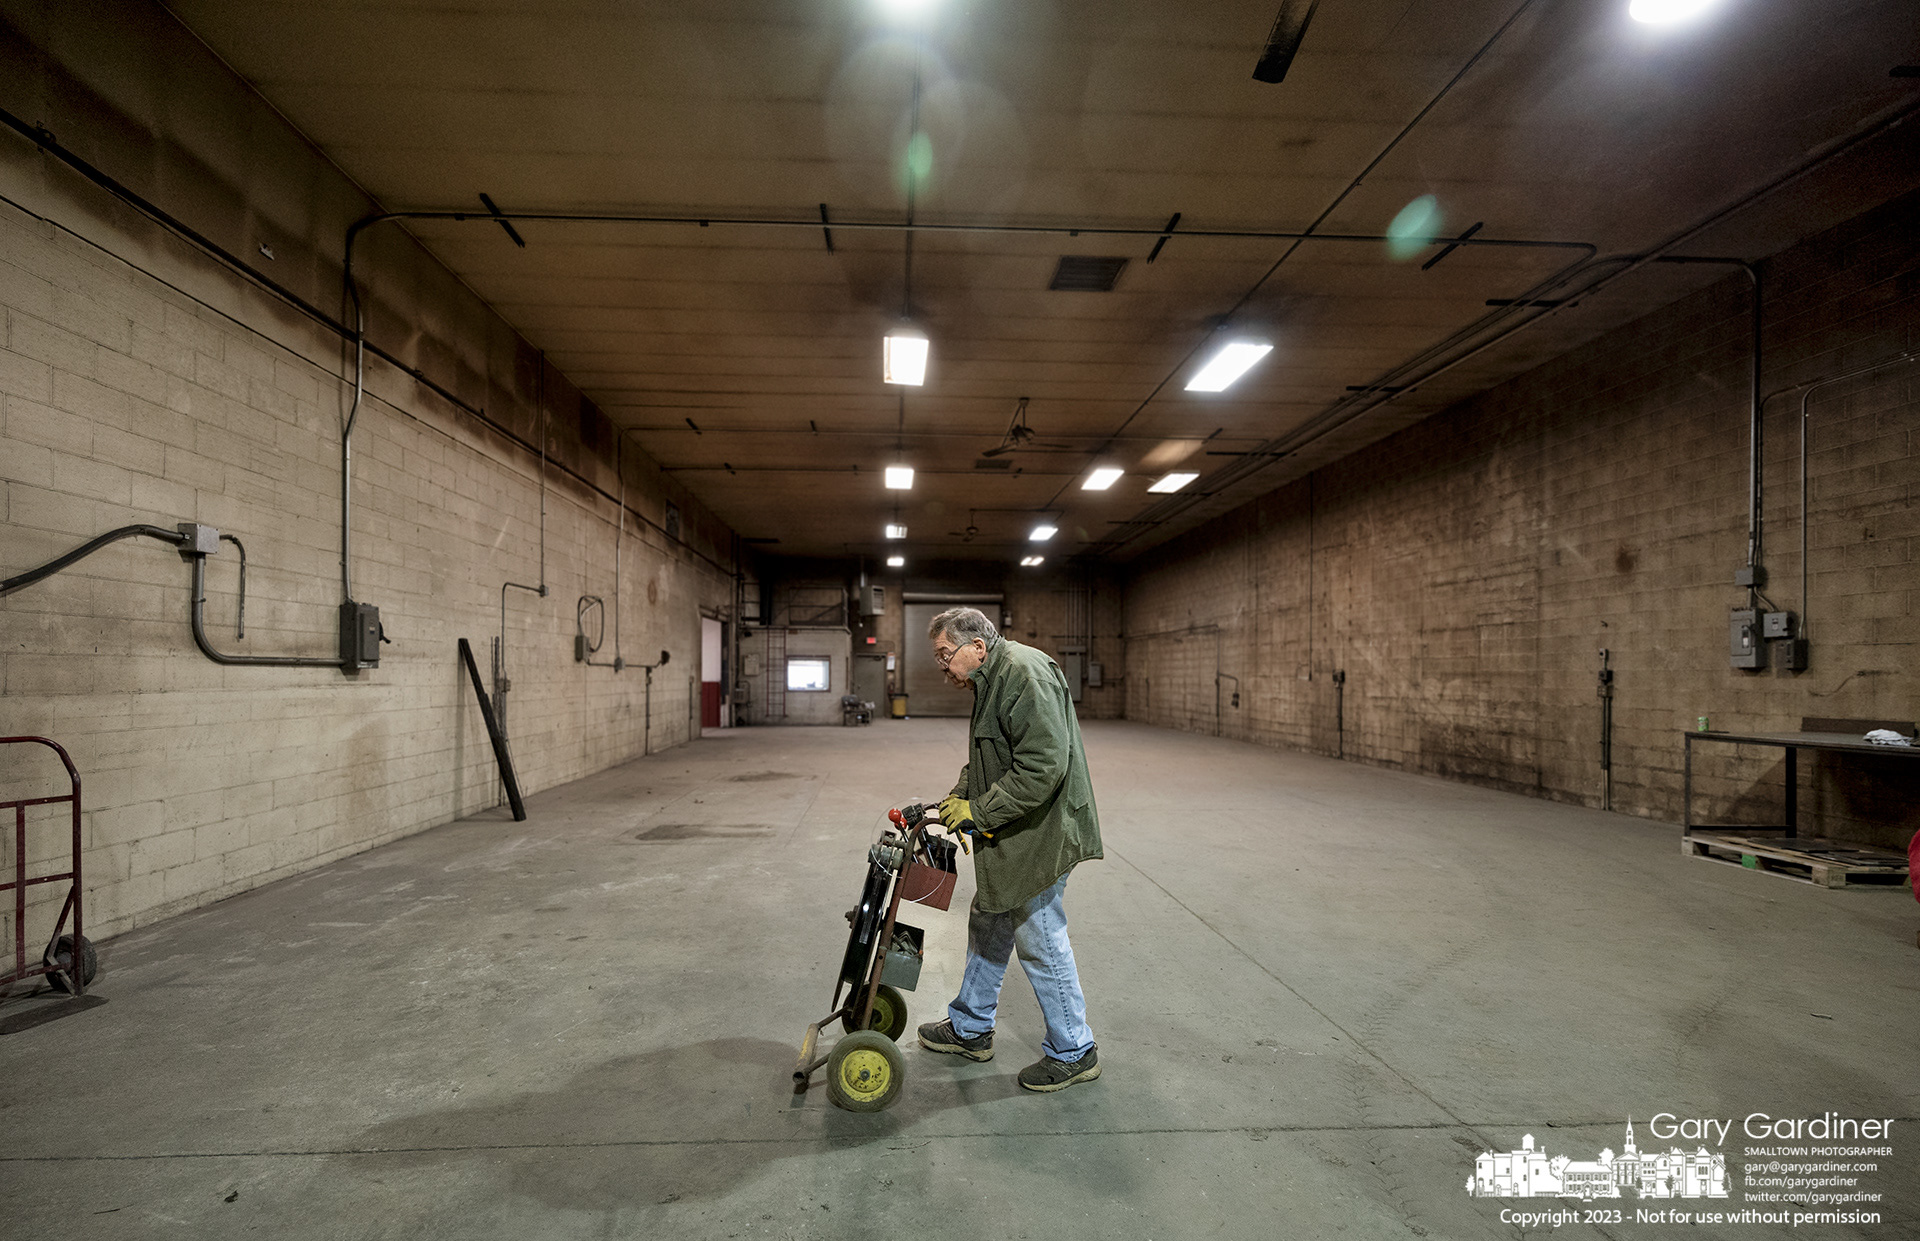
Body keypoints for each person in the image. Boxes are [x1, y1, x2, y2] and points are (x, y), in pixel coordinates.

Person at [915, 605, 1103, 1092]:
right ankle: (970, 1027)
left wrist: (980, 813)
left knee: (1039, 936)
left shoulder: (1023, 672)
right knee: (990, 917)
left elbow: (1042, 766)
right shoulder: (990, 676)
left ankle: (1074, 1049)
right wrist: (961, 794)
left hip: (1042, 831)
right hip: (1019, 827)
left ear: (976, 646)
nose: (941, 665)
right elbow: (988, 753)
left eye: (944, 654)